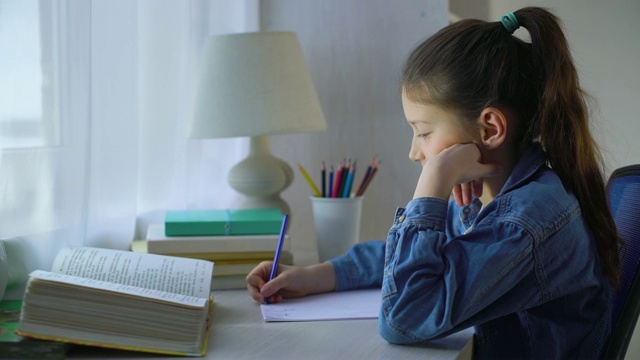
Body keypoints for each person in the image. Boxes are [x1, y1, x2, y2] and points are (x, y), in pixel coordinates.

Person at [246, 7, 620, 359]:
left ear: (490, 128)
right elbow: (411, 260)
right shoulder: (488, 195)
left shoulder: (526, 221)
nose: (414, 152)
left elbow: (404, 320)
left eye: (423, 132)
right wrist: (314, 276)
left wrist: (433, 182)